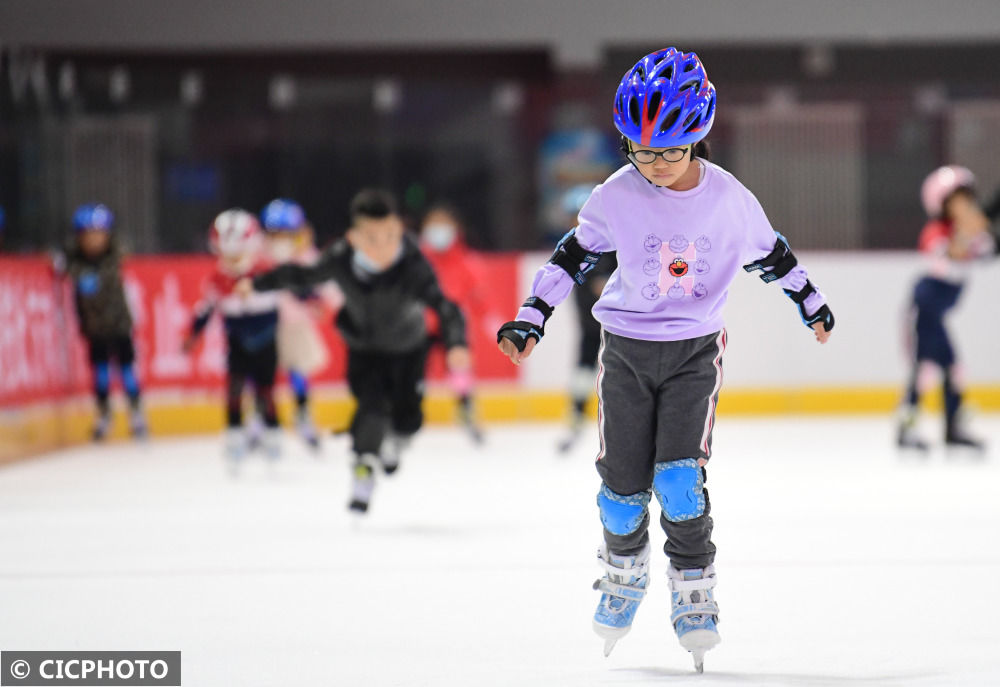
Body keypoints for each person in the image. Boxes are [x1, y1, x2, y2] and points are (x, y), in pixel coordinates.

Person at [496, 47, 834, 672]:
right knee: (620, 495)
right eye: (642, 150)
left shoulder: (729, 199)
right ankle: (623, 567)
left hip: (693, 353)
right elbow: (572, 257)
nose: (656, 165)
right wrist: (530, 317)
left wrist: (810, 304)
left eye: (671, 151)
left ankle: (693, 581)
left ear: (698, 139)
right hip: (624, 351)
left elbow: (774, 256)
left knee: (679, 480)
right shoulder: (617, 194)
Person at [245, 189, 468, 513]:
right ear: (354, 237)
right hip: (365, 350)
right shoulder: (340, 258)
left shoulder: (413, 265)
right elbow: (302, 275)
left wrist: (457, 343)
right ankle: (363, 469)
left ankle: (395, 440)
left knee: (409, 419)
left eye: (390, 236)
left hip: (409, 351)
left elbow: (446, 307)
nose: (383, 246)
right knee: (371, 408)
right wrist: (256, 283)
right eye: (372, 238)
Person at [896, 166, 999, 452]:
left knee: (953, 368)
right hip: (924, 311)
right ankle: (908, 426)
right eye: (958, 200)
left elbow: (989, 247)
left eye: (968, 199)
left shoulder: (971, 232)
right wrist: (976, 224)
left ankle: (952, 427)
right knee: (926, 368)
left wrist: (981, 225)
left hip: (938, 314)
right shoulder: (936, 232)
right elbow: (952, 251)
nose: (965, 207)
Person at [185, 209, 282, 470]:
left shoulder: (266, 271)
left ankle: (272, 433)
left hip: (266, 341)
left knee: (266, 391)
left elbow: (292, 290)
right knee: (234, 390)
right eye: (227, 252)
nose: (233, 258)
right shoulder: (218, 278)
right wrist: (193, 333)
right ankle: (234, 435)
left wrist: (311, 299)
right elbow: (205, 308)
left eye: (238, 251)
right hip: (237, 342)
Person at [260, 198, 342, 451]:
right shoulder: (260, 257)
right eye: (275, 234)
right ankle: (262, 419)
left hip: (295, 325)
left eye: (286, 233)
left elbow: (330, 290)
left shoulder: (308, 258)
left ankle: (303, 412)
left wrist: (322, 300)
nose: (281, 239)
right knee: (261, 375)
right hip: (264, 325)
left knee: (297, 369)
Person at [60, 203, 147, 440]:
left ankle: (137, 413)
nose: (93, 241)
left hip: (119, 325)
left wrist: (72, 269)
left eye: (99, 234)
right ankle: (104, 415)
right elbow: (67, 263)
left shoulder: (112, 258)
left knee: (127, 369)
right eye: (88, 235)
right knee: (100, 373)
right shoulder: (75, 259)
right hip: (94, 328)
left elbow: (106, 269)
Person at [554, 185, 618, 453]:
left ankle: (622, 414)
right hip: (589, 321)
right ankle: (578, 412)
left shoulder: (612, 243)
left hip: (616, 322)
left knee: (618, 366)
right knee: (584, 363)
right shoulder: (571, 247)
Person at [419, 203, 485, 443]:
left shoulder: (464, 260)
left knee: (459, 363)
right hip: (422, 321)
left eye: (443, 225)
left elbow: (477, 294)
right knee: (414, 368)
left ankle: (466, 409)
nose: (438, 230)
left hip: (452, 322)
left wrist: (489, 318)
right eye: (433, 225)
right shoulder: (418, 260)